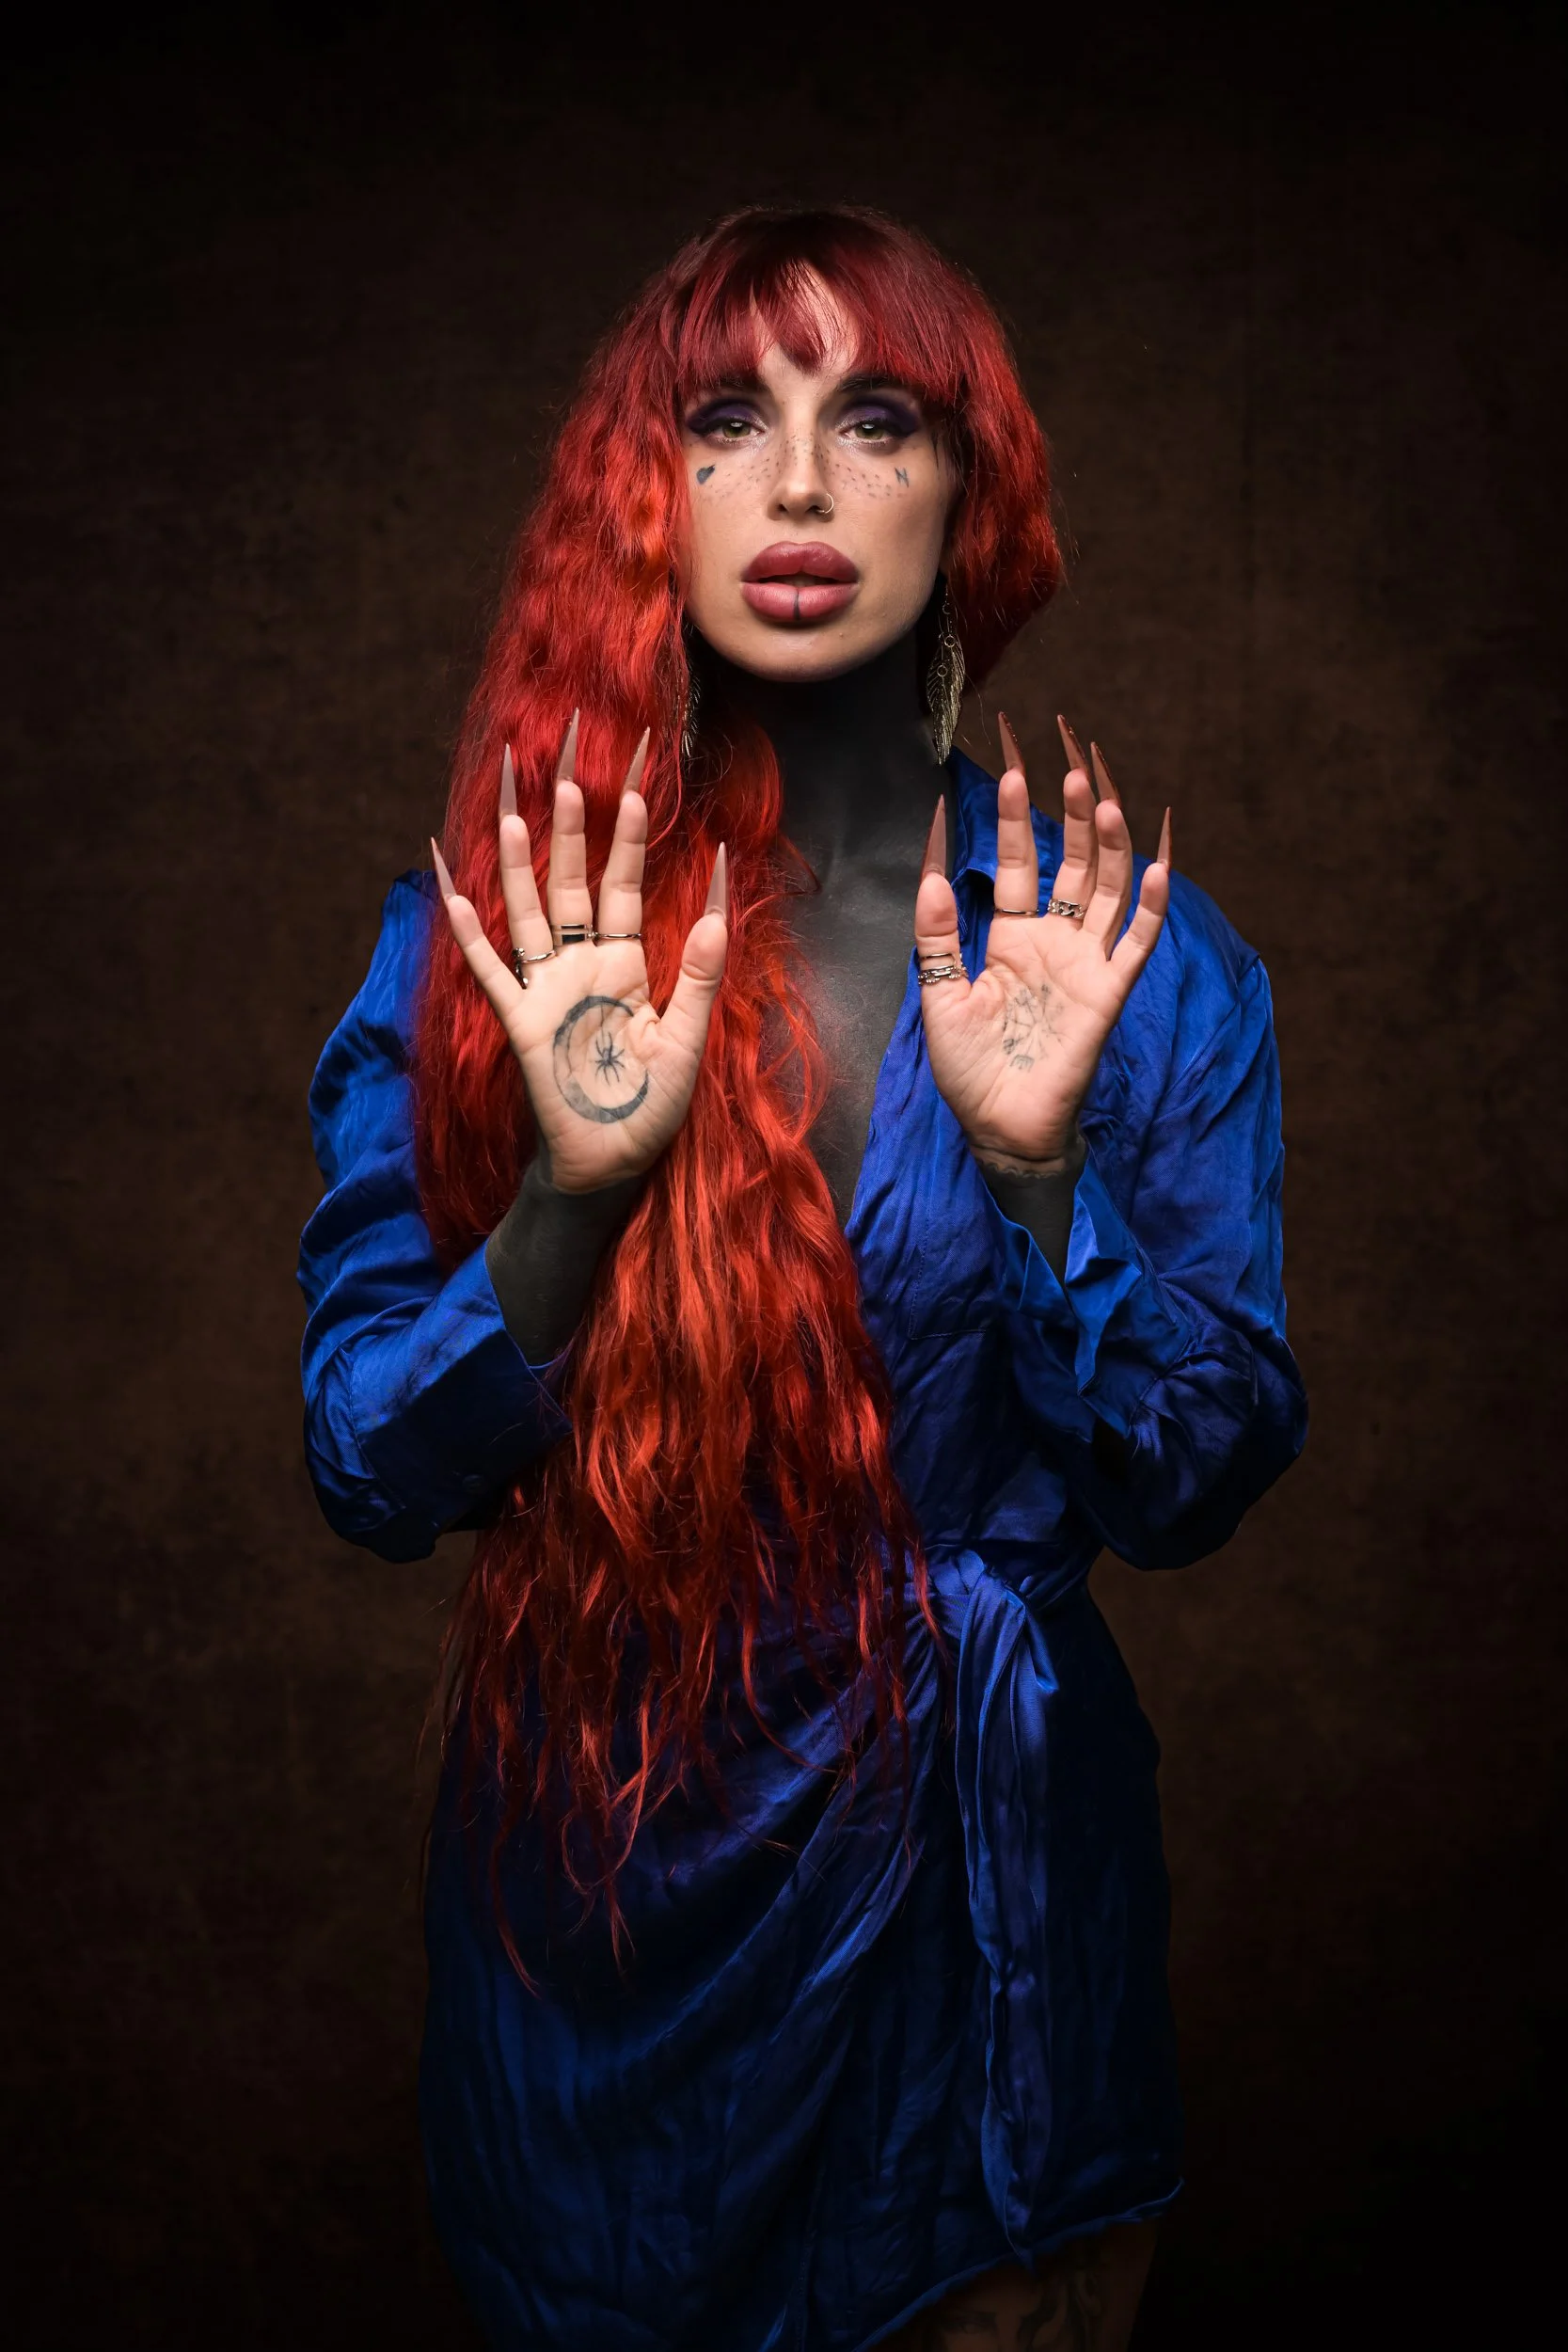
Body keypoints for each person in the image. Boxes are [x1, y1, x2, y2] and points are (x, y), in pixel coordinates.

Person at [298, 206, 1307, 2352]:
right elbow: (369, 1462)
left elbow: (1196, 1475)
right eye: (725, 416)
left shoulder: (1119, 954)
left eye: (876, 417)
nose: (798, 482)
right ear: (645, 492)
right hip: (609, 1915)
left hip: (989, 1940)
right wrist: (571, 1198)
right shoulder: (499, 951)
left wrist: (1037, 1178)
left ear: (971, 487)